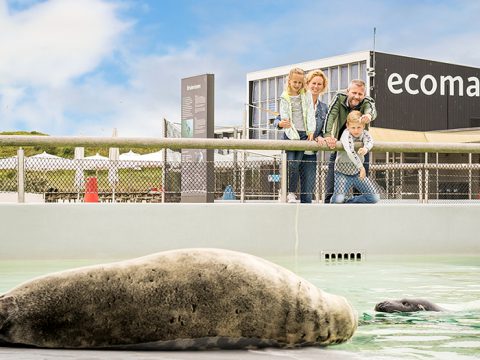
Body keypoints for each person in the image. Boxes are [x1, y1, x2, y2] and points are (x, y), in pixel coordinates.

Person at [322, 79, 377, 203]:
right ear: (348, 92)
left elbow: (371, 111)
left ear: (364, 95)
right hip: (340, 150)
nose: (357, 96)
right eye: (354, 92)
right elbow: (330, 115)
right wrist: (327, 135)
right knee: (331, 189)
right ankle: (330, 212)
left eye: (360, 94)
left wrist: (368, 116)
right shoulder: (339, 98)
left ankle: (355, 214)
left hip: (359, 150)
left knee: (361, 191)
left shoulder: (367, 101)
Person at [276, 68, 316, 203]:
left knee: (296, 164)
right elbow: (284, 116)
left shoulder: (306, 95)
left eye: (300, 82)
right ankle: (286, 190)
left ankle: (291, 192)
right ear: (289, 81)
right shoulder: (284, 96)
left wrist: (311, 130)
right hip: (290, 133)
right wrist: (285, 125)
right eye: (295, 82)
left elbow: (310, 112)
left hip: (303, 133)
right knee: (290, 164)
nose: (297, 85)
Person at [330, 110, 379, 204]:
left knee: (374, 198)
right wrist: (361, 167)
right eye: (353, 127)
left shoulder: (364, 133)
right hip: (342, 172)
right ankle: (335, 201)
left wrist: (366, 148)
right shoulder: (346, 134)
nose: (356, 130)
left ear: (363, 126)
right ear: (347, 126)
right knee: (338, 200)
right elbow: (350, 151)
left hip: (356, 173)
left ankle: (349, 200)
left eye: (359, 127)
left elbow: (370, 141)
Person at [299, 69, 329, 203]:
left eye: (319, 84)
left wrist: (321, 136)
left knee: (308, 189)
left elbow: (324, 129)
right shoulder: (298, 102)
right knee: (289, 189)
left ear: (323, 87)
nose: (316, 87)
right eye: (313, 83)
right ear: (307, 83)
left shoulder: (324, 108)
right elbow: (279, 119)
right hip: (294, 151)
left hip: (310, 154)